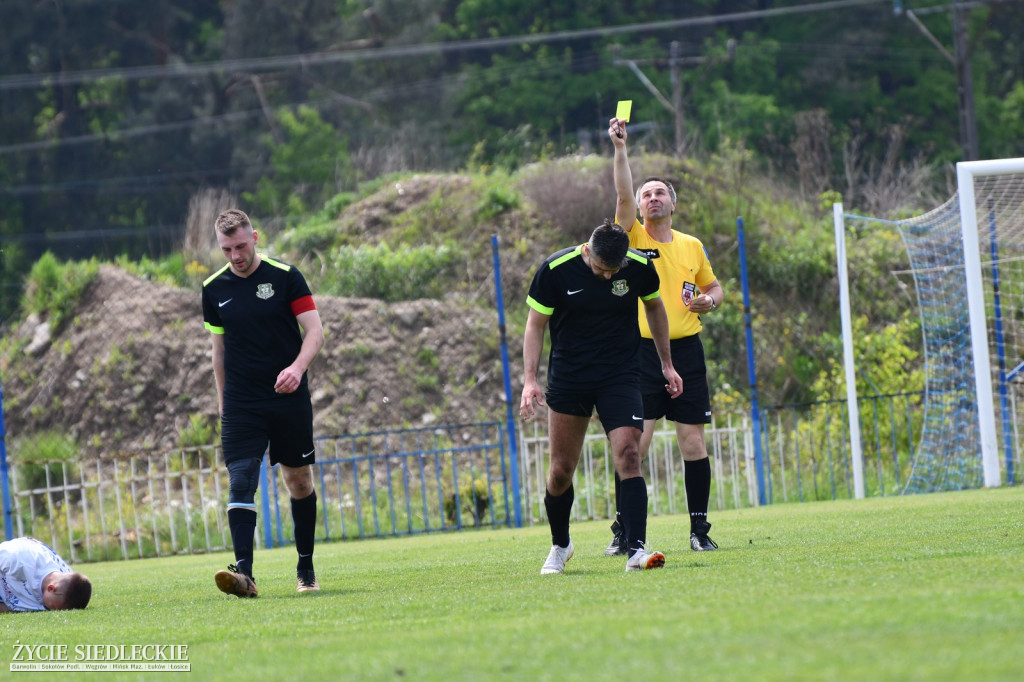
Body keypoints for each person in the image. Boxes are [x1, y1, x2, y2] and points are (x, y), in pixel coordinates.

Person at [521, 220, 683, 574]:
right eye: (601, 269)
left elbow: (655, 308)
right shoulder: (555, 270)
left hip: (620, 376)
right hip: (570, 377)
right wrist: (530, 380)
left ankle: (637, 549)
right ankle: (561, 545)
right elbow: (535, 324)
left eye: (615, 270)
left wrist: (667, 364)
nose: (609, 277)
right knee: (561, 471)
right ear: (587, 251)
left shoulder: (639, 267)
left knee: (628, 454)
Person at [606, 117, 725, 554]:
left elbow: (715, 287)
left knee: (693, 441)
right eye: (646, 194)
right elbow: (621, 192)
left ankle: (699, 531)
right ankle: (625, 531)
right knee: (634, 444)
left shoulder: (692, 245)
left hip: (687, 350)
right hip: (639, 354)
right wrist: (621, 150)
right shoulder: (632, 236)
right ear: (638, 208)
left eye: (659, 193)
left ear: (672, 204)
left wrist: (709, 302)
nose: (652, 197)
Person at [202, 208, 326, 597]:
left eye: (240, 246)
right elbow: (218, 352)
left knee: (299, 480)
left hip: (287, 396)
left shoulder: (285, 276)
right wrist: (224, 401)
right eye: (227, 250)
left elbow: (315, 332)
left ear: (254, 237)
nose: (235, 256)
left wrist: (297, 368)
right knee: (241, 480)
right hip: (241, 402)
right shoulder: (213, 289)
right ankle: (244, 575)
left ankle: (305, 567)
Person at [0, 537, 92, 612]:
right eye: (52, 608)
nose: (52, 612)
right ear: (51, 588)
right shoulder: (20, 559)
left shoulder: (67, 582)